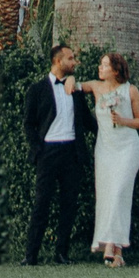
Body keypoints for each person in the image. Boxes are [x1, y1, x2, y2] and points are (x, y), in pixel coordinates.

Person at [76, 51, 139, 267]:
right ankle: (118, 254)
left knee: (119, 194)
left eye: (105, 65)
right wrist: (69, 80)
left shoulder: (130, 90)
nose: (100, 68)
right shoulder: (96, 87)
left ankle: (109, 244)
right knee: (107, 196)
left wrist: (123, 120)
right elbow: (76, 86)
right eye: (101, 64)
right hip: (105, 150)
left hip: (127, 149)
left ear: (116, 70)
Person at [23, 43, 91, 265]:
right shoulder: (37, 89)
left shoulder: (76, 90)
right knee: (41, 203)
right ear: (58, 61)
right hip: (48, 152)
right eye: (70, 58)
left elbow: (88, 120)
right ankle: (30, 255)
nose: (74, 62)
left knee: (69, 204)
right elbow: (28, 124)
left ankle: (61, 253)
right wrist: (38, 149)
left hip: (72, 152)